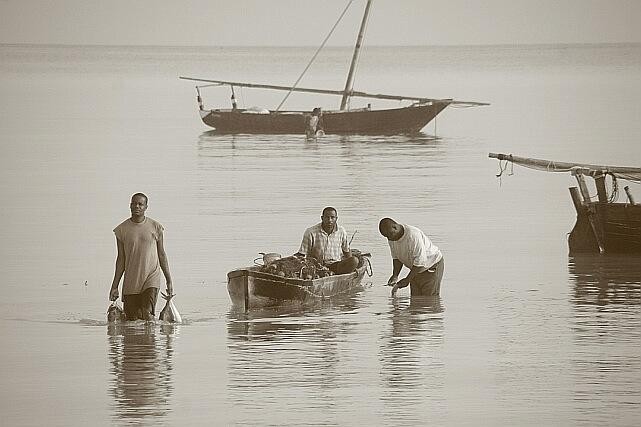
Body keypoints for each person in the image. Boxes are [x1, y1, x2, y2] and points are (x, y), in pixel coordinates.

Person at [109, 193, 173, 320]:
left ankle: (151, 339)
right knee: (132, 321)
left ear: (146, 207)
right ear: (130, 205)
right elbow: (121, 259)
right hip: (131, 281)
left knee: (147, 314)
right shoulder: (121, 230)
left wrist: (169, 280)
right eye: (134, 203)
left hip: (151, 277)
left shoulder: (156, 228)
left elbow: (162, 254)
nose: (136, 206)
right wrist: (115, 285)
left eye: (140, 204)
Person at [379, 217, 444, 297]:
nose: (389, 238)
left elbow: (420, 262)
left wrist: (407, 279)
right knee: (415, 300)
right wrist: (395, 275)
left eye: (390, 235)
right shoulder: (392, 238)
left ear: (395, 227)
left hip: (431, 266)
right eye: (386, 236)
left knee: (428, 301)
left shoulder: (412, 236)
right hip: (415, 269)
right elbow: (396, 258)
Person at [295, 207, 359, 275]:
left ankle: (333, 274)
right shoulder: (311, 232)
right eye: (327, 217)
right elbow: (302, 253)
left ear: (336, 219)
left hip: (335, 265)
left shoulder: (341, 231)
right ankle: (324, 274)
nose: (329, 220)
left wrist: (352, 267)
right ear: (322, 218)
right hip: (315, 266)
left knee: (354, 260)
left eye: (332, 217)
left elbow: (346, 251)